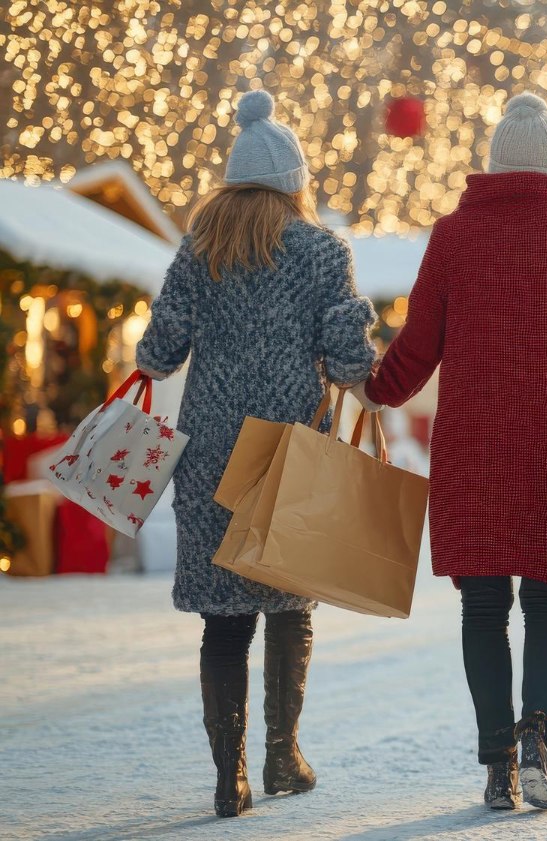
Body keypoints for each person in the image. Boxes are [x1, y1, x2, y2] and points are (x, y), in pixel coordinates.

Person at [353, 93, 547, 811]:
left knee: (484, 607)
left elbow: (419, 343)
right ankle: (538, 738)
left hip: (473, 448)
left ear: (494, 167)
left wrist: (376, 388)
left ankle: (497, 764)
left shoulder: (454, 236)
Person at [135, 89, 377, 818]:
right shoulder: (323, 250)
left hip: (211, 447)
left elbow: (158, 353)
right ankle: (282, 755)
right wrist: (354, 335)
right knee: (289, 603)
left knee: (224, 615)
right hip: (290, 445)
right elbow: (348, 359)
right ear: (294, 180)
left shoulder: (200, 248)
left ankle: (228, 777)